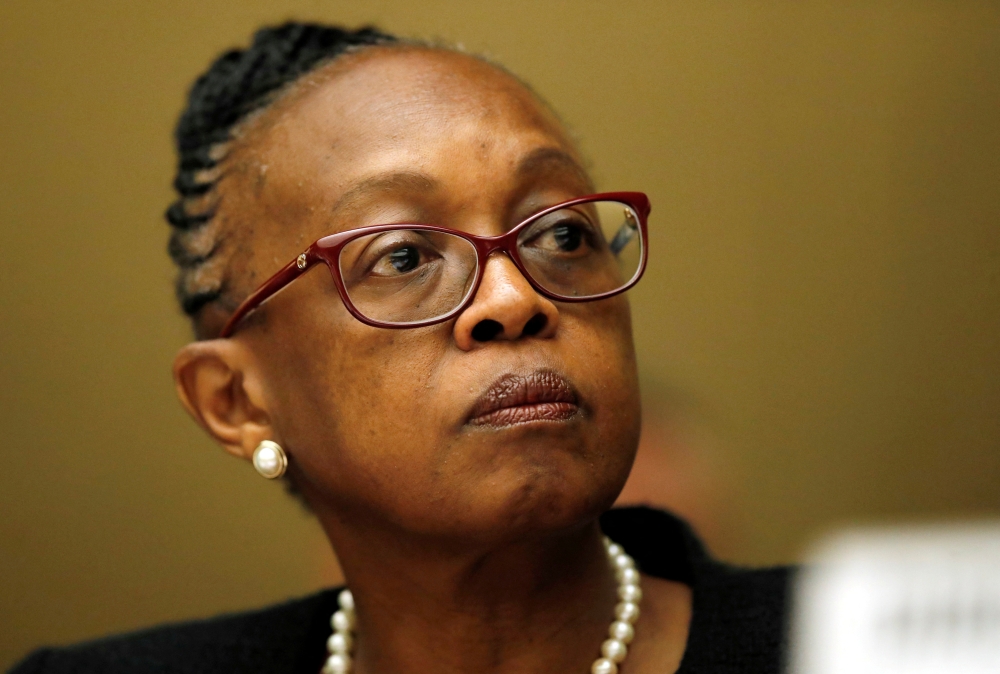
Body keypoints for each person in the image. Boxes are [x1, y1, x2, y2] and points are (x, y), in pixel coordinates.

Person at [10, 22, 790, 674]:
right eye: (404, 257)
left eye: (561, 234)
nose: (514, 298)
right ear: (237, 402)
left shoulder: (841, 647)